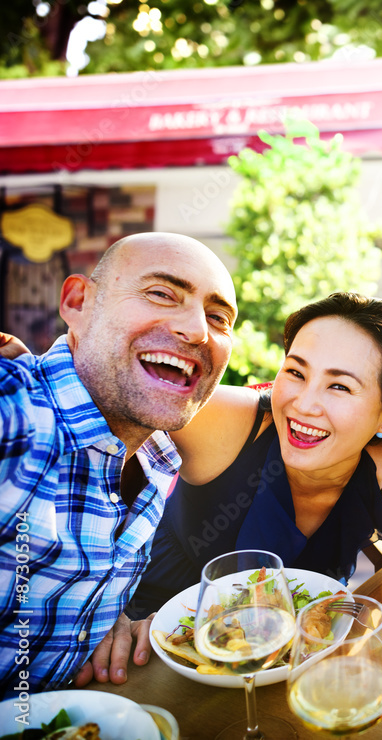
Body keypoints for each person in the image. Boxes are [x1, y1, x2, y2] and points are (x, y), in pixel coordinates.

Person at [0, 233, 237, 697]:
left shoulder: (158, 457)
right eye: (161, 294)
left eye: (218, 318)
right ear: (78, 303)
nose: (197, 331)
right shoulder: (16, 411)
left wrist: (102, 619)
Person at [128, 292, 382, 618]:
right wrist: (112, 614)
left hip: (297, 645)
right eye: (296, 373)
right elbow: (93, 447)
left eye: (340, 386)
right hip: (155, 623)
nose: (302, 405)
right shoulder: (219, 422)